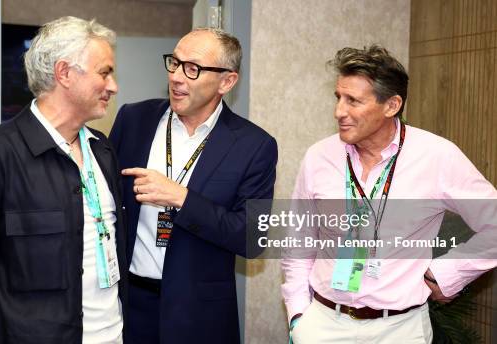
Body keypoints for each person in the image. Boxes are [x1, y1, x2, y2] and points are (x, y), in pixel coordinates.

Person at [281, 45, 497, 343]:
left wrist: (445, 274)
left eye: (353, 101)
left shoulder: (437, 157)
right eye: (338, 97)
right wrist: (298, 315)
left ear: (392, 105)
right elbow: (299, 240)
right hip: (323, 323)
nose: (339, 111)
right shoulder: (319, 156)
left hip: (400, 329)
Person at [0, 16, 127, 344]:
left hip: (113, 335)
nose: (113, 86)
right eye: (104, 72)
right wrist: (10, 329)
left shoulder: (103, 150)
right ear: (65, 73)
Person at [109, 27, 278, 343]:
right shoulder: (133, 119)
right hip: (130, 307)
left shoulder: (254, 146)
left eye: (193, 69)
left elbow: (253, 238)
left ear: (226, 82)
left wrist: (183, 199)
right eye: (174, 62)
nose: (176, 76)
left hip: (201, 316)